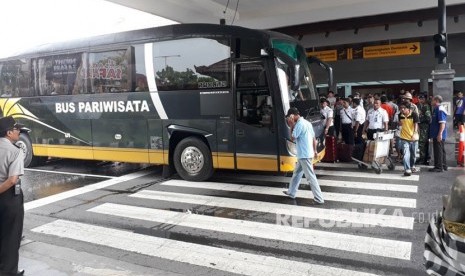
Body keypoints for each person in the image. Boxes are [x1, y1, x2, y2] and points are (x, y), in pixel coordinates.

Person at [0, 116, 25, 276]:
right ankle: (8, 272)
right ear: (9, 132)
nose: (19, 132)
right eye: (17, 129)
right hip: (9, 198)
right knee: (11, 236)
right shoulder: (15, 151)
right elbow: (12, 180)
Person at [283, 108, 324, 204]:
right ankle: (291, 192)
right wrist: (315, 151)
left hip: (304, 155)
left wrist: (291, 125)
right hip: (305, 154)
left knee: (310, 177)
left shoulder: (299, 124)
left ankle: (319, 198)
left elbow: (292, 138)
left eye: (290, 116)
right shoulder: (307, 123)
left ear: (292, 115)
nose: (289, 118)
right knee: (296, 174)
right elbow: (314, 138)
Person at [398, 102, 419, 176]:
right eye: (401, 108)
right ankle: (407, 169)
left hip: (413, 138)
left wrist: (414, 133)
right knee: (406, 154)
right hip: (404, 138)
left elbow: (416, 125)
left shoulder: (414, 114)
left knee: (413, 155)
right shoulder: (400, 115)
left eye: (404, 108)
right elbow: (400, 123)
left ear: (408, 109)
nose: (402, 110)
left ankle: (412, 166)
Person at [429, 95, 448, 172]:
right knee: (440, 150)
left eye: (432, 100)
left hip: (438, 134)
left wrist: (440, 134)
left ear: (436, 101)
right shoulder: (437, 108)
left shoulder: (440, 109)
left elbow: (442, 123)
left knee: (438, 150)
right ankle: (443, 165)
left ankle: (439, 167)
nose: (431, 101)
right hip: (437, 134)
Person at [417, 93, 432, 165]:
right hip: (423, 127)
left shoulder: (426, 106)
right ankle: (424, 158)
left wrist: (420, 119)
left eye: (420, 98)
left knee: (422, 143)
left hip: (424, 128)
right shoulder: (423, 106)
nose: (419, 100)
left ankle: (423, 159)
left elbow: (428, 118)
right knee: (424, 144)